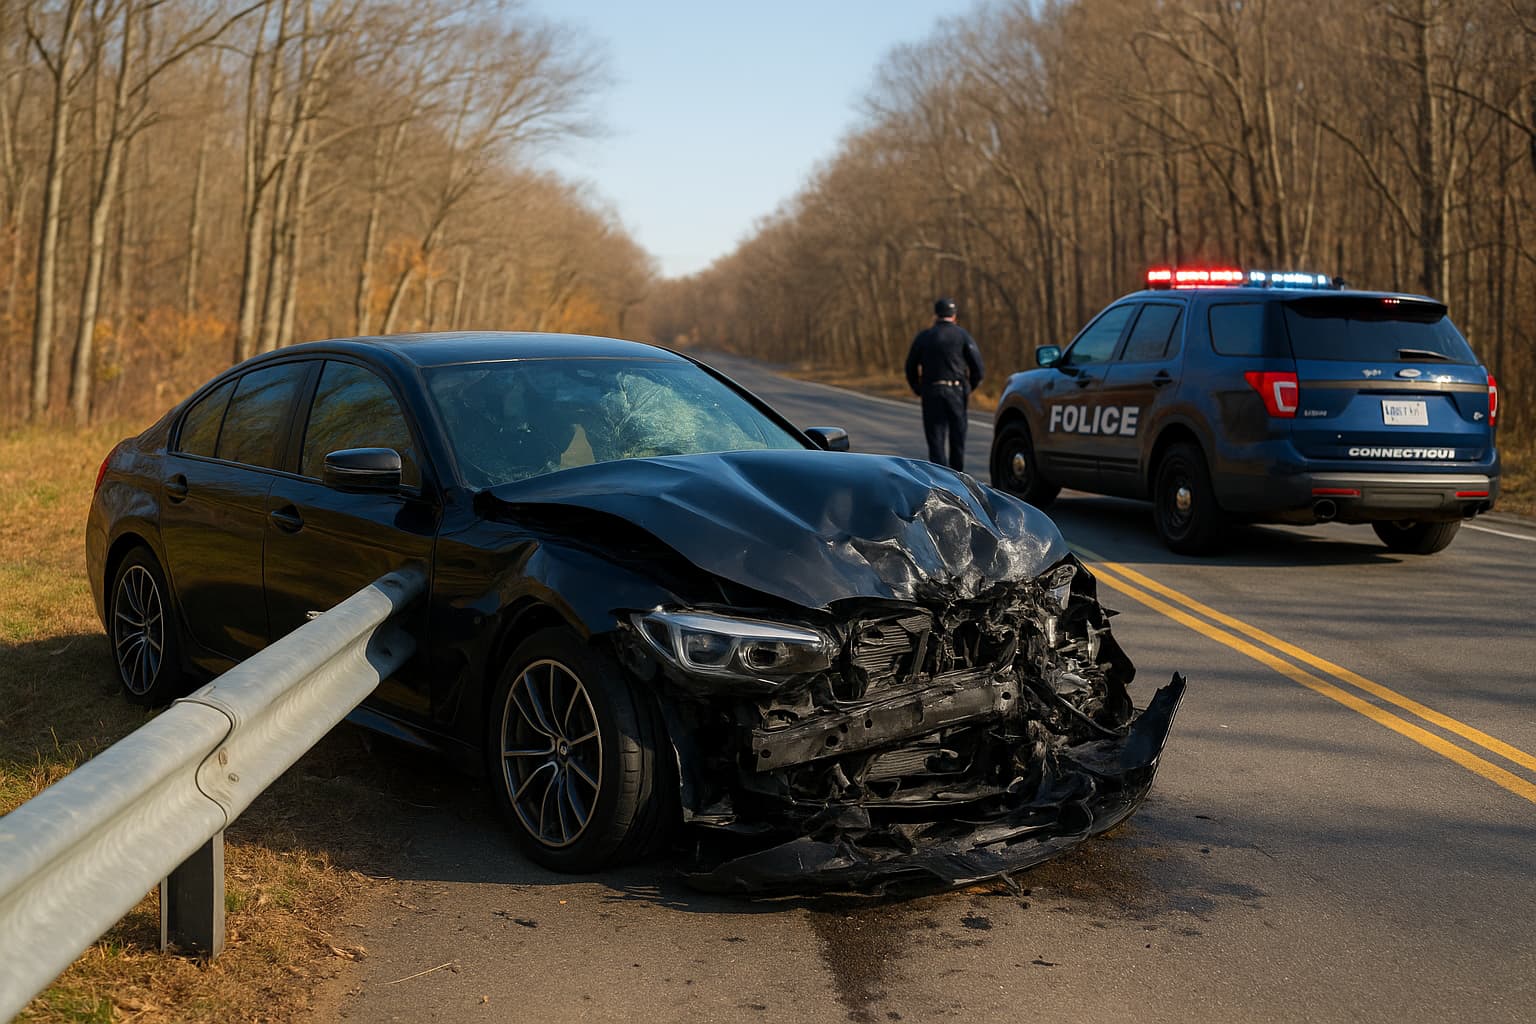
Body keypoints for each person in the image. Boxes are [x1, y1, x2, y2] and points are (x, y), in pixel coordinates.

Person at [904, 297, 984, 471]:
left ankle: (941, 481)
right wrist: (968, 388)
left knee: (936, 441)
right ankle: (957, 478)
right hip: (956, 391)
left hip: (932, 391)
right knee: (958, 441)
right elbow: (978, 367)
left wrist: (918, 389)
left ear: (936, 315)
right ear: (954, 315)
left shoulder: (924, 337)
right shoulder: (963, 335)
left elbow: (910, 366)